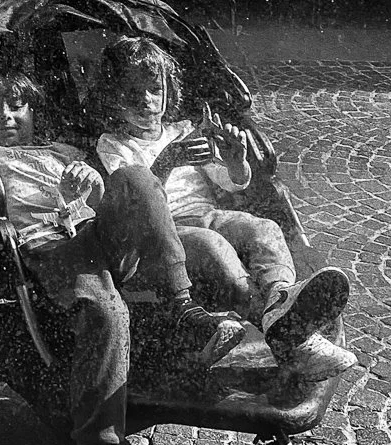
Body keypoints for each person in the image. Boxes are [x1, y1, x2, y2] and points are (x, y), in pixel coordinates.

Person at [0, 61, 252, 445]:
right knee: (108, 312)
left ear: (34, 106)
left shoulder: (68, 153)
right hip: (49, 246)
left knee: (135, 177)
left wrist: (94, 192)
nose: (6, 117)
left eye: (16, 105)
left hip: (99, 235)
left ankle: (184, 308)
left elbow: (109, 206)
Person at [91, 34, 357, 383]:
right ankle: (287, 332)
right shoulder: (114, 145)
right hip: (166, 232)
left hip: (208, 214)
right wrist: (169, 160)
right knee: (216, 249)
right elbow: (138, 198)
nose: (146, 101)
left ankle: (280, 297)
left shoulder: (184, 130)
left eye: (154, 89)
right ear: (113, 99)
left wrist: (235, 160)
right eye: (132, 93)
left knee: (264, 229)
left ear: (168, 90)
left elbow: (230, 182)